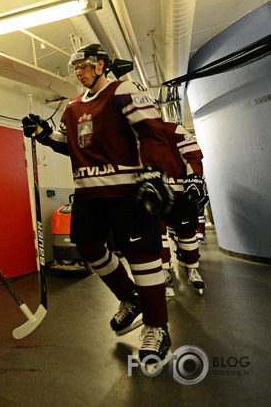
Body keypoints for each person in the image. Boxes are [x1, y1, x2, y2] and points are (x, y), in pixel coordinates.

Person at [22, 45, 174, 368]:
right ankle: (130, 298)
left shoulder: (124, 91)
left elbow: (151, 131)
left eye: (83, 66)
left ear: (100, 65)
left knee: (142, 257)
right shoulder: (73, 106)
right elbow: (70, 143)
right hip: (88, 195)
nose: (78, 72)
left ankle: (157, 326)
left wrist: (154, 172)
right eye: (74, 67)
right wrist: (45, 135)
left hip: (126, 192)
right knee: (88, 246)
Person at [156, 116, 208, 295]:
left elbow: (192, 154)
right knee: (157, 235)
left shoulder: (173, 129)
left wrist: (194, 176)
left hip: (179, 193)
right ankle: (164, 270)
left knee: (187, 233)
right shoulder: (135, 134)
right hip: (153, 194)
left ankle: (192, 268)